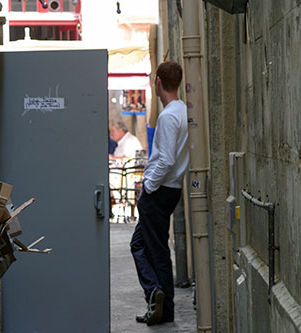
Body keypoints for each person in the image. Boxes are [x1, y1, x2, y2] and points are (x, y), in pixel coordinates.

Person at [130, 61, 189, 326]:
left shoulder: (167, 117)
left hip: (159, 190)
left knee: (149, 247)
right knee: (150, 246)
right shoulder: (183, 111)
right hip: (172, 189)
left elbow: (164, 160)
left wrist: (148, 187)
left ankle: (155, 294)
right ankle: (161, 304)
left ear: (157, 83)